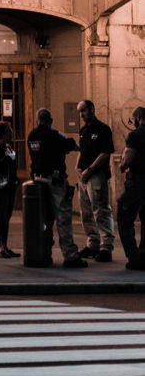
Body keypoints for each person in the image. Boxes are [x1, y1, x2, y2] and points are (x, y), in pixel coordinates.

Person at [27, 108, 87, 268]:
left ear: (37, 120)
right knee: (63, 218)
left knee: (44, 219)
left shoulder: (31, 136)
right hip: (55, 180)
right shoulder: (54, 136)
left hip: (37, 180)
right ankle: (70, 256)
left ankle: (44, 253)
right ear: (51, 120)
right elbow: (71, 145)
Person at [76, 98, 115, 260]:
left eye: (83, 110)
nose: (81, 115)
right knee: (86, 212)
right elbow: (82, 152)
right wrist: (78, 168)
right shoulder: (83, 131)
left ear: (92, 109)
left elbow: (105, 153)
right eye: (79, 112)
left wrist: (90, 170)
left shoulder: (103, 129)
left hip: (96, 175)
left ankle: (106, 247)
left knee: (101, 210)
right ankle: (92, 244)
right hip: (83, 177)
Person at [117, 105, 145, 271]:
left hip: (138, 183)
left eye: (132, 118)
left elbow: (128, 160)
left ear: (138, 117)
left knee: (124, 215)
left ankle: (134, 257)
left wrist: (121, 166)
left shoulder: (134, 135)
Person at [0, 120, 19, 258]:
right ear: (4, 133)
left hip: (9, 185)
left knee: (6, 215)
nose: (12, 132)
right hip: (1, 187)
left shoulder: (8, 147)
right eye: (9, 130)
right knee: (0, 214)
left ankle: (4, 245)